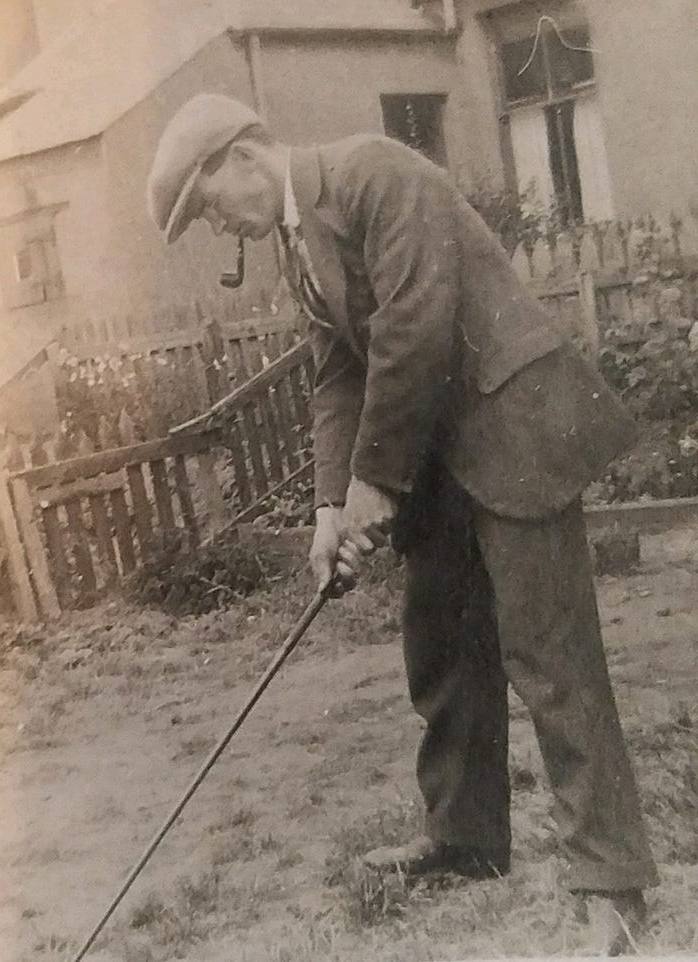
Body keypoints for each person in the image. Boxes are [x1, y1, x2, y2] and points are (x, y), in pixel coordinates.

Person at [146, 93, 658, 955]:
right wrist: (325, 509)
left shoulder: (375, 172)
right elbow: (338, 375)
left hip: (511, 425)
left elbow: (414, 331)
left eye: (208, 207)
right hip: (442, 451)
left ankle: (613, 882)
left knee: (550, 654)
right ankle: (465, 841)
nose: (218, 227)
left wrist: (374, 487)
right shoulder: (299, 239)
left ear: (243, 158)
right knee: (444, 641)